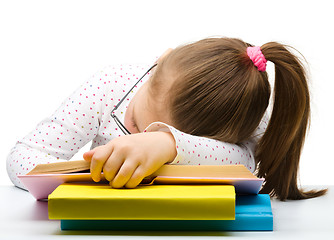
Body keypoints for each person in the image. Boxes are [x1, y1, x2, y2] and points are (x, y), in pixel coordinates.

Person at [7, 37, 326, 201]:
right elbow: (21, 157)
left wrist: (167, 143)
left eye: (144, 133)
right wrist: (89, 180)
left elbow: (246, 166)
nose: (136, 135)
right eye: (133, 123)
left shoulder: (238, 110)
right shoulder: (109, 86)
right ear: (160, 60)